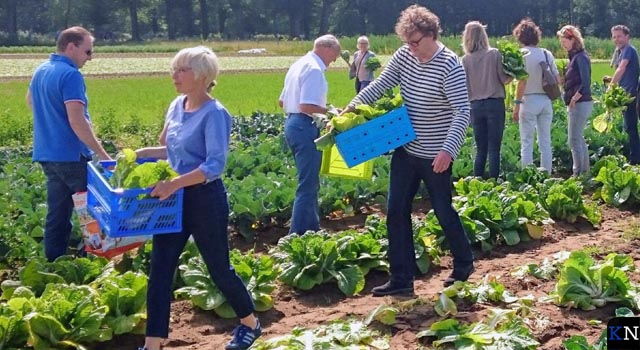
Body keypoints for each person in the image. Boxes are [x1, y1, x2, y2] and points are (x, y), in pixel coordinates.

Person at [341, 5, 474, 295]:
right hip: (407, 147)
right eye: (407, 43)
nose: (411, 48)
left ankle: (464, 264)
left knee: (441, 209)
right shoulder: (404, 56)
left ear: (431, 34)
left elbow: (462, 111)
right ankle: (401, 279)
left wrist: (448, 151)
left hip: (436, 153)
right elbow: (380, 85)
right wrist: (351, 108)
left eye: (415, 42)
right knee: (396, 211)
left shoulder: (450, 65)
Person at [134, 46, 260, 350]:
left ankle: (250, 323)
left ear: (202, 77)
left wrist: (174, 183)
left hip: (204, 199)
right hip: (172, 200)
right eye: (174, 69)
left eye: (182, 70)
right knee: (161, 270)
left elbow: (213, 166)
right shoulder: (177, 105)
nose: (174, 75)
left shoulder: (216, 114)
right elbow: (173, 150)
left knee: (219, 269)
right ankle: (152, 344)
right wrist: (142, 154)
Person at [27, 26, 112, 262]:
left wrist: (51, 122)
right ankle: (93, 261)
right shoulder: (71, 74)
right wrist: (102, 153)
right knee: (91, 212)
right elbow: (77, 120)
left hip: (47, 154)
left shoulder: (41, 71)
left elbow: (30, 102)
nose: (90, 58)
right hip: (72, 156)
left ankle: (54, 263)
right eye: (87, 52)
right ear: (71, 47)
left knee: (57, 213)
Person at [278, 34, 341, 235]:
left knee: (310, 180)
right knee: (307, 183)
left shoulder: (298, 65)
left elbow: (282, 101)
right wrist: (332, 111)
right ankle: (297, 234)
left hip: (292, 123)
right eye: (335, 56)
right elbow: (307, 105)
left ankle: (312, 228)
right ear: (328, 49)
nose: (333, 61)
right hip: (305, 126)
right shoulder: (314, 70)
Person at [461, 21, 512, 179]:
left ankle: (477, 180)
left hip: (475, 106)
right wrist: (514, 71)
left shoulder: (465, 60)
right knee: (494, 148)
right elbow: (504, 79)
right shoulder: (494, 54)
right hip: (494, 104)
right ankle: (494, 182)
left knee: (480, 148)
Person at [512, 18, 559, 174]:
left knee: (527, 142)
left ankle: (528, 175)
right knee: (545, 141)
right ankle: (547, 174)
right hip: (545, 100)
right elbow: (557, 79)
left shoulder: (521, 54)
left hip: (528, 100)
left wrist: (516, 104)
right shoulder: (546, 53)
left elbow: (522, 82)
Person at [558, 25, 593, 175]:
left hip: (580, 102)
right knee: (578, 138)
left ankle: (578, 173)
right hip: (579, 102)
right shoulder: (575, 57)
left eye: (564, 40)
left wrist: (574, 98)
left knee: (573, 139)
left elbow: (585, 82)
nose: (562, 43)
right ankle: (584, 172)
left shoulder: (581, 57)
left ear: (573, 39)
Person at [609, 24, 640, 165]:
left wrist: (611, 86)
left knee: (631, 127)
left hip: (631, 95)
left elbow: (622, 68)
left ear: (627, 37)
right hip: (626, 94)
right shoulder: (621, 52)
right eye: (614, 37)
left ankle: (635, 159)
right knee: (630, 127)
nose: (617, 39)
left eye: (620, 36)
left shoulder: (628, 50)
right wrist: (611, 79)